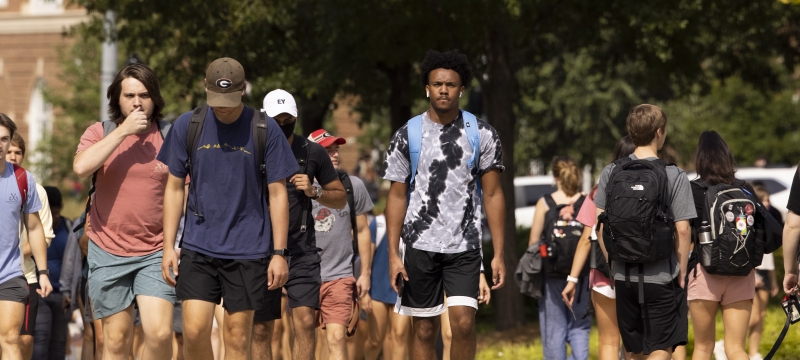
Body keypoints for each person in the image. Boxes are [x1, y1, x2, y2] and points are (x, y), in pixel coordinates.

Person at [158, 57, 298, 360]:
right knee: (193, 333)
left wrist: (280, 253)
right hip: (198, 245)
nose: (223, 107)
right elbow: (172, 188)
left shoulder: (265, 128)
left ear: (243, 90)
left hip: (248, 249)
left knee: (236, 339)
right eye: (217, 99)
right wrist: (168, 245)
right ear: (205, 88)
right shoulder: (188, 124)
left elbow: (278, 194)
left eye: (230, 99)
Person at [382, 50, 506, 360]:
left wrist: (499, 254)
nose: (443, 90)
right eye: (437, 83)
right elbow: (396, 196)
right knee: (424, 330)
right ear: (426, 87)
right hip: (420, 245)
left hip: (463, 246)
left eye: (451, 84)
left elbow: (492, 195)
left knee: (463, 323)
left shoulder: (482, 134)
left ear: (461, 89)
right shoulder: (407, 134)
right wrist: (393, 254)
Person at [73, 63, 175, 360]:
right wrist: (123, 133)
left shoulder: (169, 136)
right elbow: (80, 168)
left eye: (144, 95)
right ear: (117, 99)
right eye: (129, 95)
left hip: (156, 250)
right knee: (115, 342)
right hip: (107, 250)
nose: (137, 102)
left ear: (154, 98)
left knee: (159, 334)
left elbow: (183, 193)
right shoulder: (100, 132)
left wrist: (174, 244)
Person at [595, 104, 695, 360]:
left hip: (624, 275)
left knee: (635, 350)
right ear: (659, 132)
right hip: (662, 276)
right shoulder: (673, 174)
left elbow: (600, 226)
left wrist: (614, 262)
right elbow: (683, 230)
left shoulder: (611, 171)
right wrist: (681, 271)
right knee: (662, 347)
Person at [252, 89, 346, 360]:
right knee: (260, 328)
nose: (282, 126)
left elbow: (339, 198)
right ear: (263, 120)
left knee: (305, 322)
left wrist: (315, 191)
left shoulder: (312, 151)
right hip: (260, 248)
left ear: (295, 117)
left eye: (287, 119)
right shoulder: (252, 150)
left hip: (302, 250)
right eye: (275, 120)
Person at [562, 136, 636, 360]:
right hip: (639, 273)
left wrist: (572, 279)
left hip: (603, 274)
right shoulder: (648, 186)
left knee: (608, 341)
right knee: (634, 340)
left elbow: (586, 238)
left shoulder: (598, 190)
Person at [686, 131, 756, 360]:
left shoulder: (693, 189)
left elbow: (684, 232)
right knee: (736, 349)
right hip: (742, 271)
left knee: (703, 348)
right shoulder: (745, 188)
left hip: (705, 272)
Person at [307, 128, 374, 360]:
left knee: (336, 338)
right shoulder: (295, 188)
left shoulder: (352, 186)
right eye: (328, 150)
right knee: (306, 340)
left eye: (336, 149)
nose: (335, 154)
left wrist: (365, 273)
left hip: (340, 276)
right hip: (304, 276)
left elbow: (364, 231)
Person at [0, 113, 53, 359]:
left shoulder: (22, 178)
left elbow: (34, 227)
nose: (0, 145)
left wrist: (42, 272)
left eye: (4, 139)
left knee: (11, 338)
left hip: (9, 275)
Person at [527, 157, 590, 360]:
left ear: (555, 178)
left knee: (554, 330)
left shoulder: (545, 203)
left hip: (551, 277)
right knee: (579, 327)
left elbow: (533, 244)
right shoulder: (587, 201)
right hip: (581, 277)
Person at [32, 186, 79, 360]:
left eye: (57, 213)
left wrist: (69, 292)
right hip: (40, 292)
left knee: (59, 342)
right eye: (50, 213)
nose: (54, 218)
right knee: (41, 338)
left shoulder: (68, 227)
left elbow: (74, 261)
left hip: (62, 295)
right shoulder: (34, 228)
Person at [364, 212, 412, 360]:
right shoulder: (377, 224)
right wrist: (365, 292)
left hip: (403, 291)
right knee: (375, 341)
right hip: (378, 290)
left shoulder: (413, 223)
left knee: (399, 336)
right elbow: (367, 263)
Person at [748, 185, 780, 360]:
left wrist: (774, 280)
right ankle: (726, 342)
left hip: (767, 272)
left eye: (768, 200)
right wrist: (753, 275)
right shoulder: (749, 223)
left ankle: (754, 352)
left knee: (761, 316)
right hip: (754, 273)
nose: (767, 203)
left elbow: (771, 257)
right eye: (764, 200)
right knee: (752, 317)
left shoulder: (769, 222)